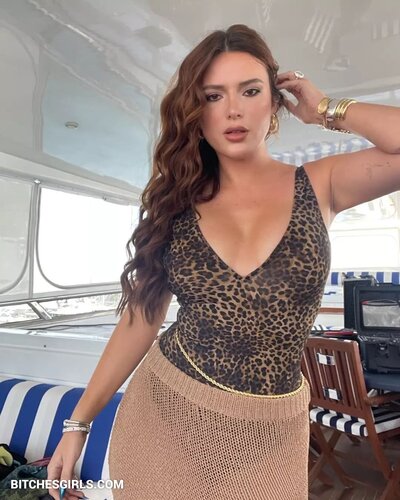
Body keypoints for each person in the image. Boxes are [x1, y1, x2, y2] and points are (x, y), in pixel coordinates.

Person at [47, 24, 400, 500]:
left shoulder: (321, 183)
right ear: (196, 112)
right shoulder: (174, 205)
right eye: (213, 96)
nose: (233, 110)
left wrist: (324, 109)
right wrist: (78, 424)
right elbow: (141, 318)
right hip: (167, 412)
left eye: (249, 91)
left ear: (275, 101)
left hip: (273, 432)